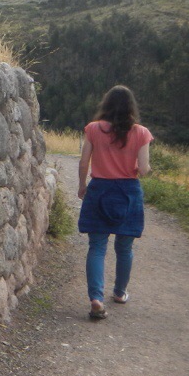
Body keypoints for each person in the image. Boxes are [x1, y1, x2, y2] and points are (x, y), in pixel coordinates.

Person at [76, 85, 153, 320]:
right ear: (131, 107)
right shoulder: (141, 133)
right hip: (128, 191)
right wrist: (146, 170)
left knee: (97, 247)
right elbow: (143, 168)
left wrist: (82, 186)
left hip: (99, 189)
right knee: (125, 247)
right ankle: (119, 293)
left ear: (106, 104)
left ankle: (96, 298)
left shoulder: (93, 129)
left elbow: (83, 162)